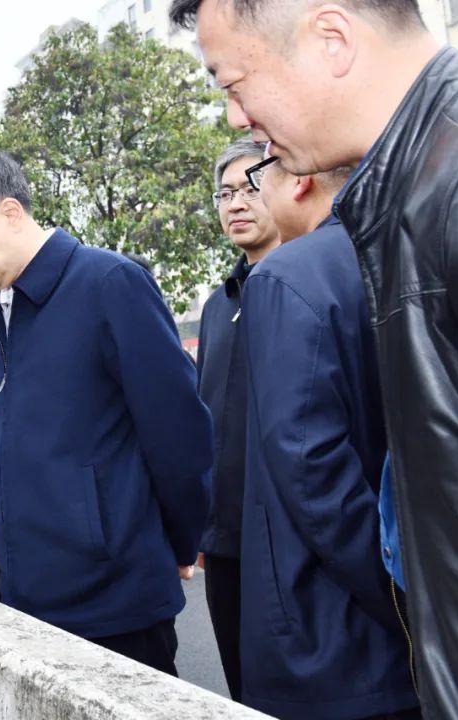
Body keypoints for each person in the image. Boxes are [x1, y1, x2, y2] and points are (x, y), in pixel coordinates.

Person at [169, 0, 458, 712]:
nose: (236, 118)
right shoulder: (398, 205)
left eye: (234, 83)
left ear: (331, 38)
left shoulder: (442, 190)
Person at [0, 143, 212, 675]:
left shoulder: (109, 283)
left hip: (112, 602)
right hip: (27, 599)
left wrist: (182, 543)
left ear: (10, 212)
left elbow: (178, 435)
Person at [233, 152, 419, 719]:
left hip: (327, 629)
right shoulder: (403, 249)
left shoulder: (289, 274)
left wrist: (395, 597)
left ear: (298, 178)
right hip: (410, 614)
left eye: (258, 175)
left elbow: (310, 467)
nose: (255, 192)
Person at [195, 138, 280, 701]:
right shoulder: (216, 305)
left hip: (287, 538)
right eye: (225, 194)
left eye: (251, 188)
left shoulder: (304, 286)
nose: (237, 204)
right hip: (224, 541)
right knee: (241, 692)